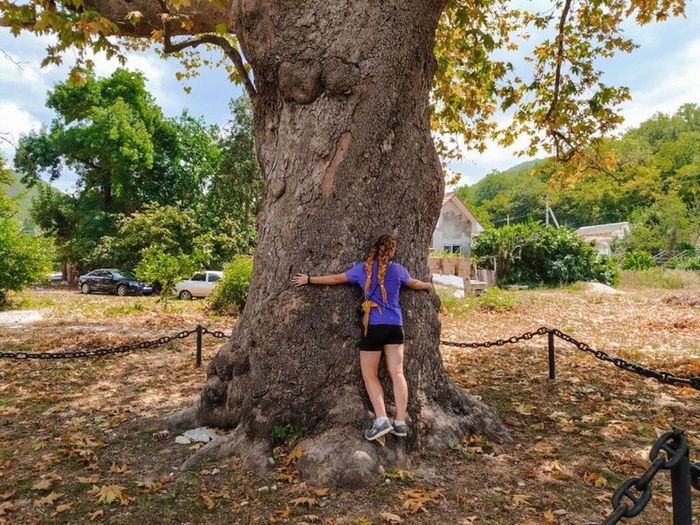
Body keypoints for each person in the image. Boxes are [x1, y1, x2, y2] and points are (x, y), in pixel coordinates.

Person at [291, 234, 433, 441]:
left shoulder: (362, 270)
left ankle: (382, 419)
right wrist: (428, 286)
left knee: (370, 375)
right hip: (395, 327)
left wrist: (309, 279)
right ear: (392, 251)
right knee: (398, 373)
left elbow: (336, 279)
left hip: (374, 327)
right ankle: (400, 422)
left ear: (373, 249)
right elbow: (414, 283)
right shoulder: (398, 269)